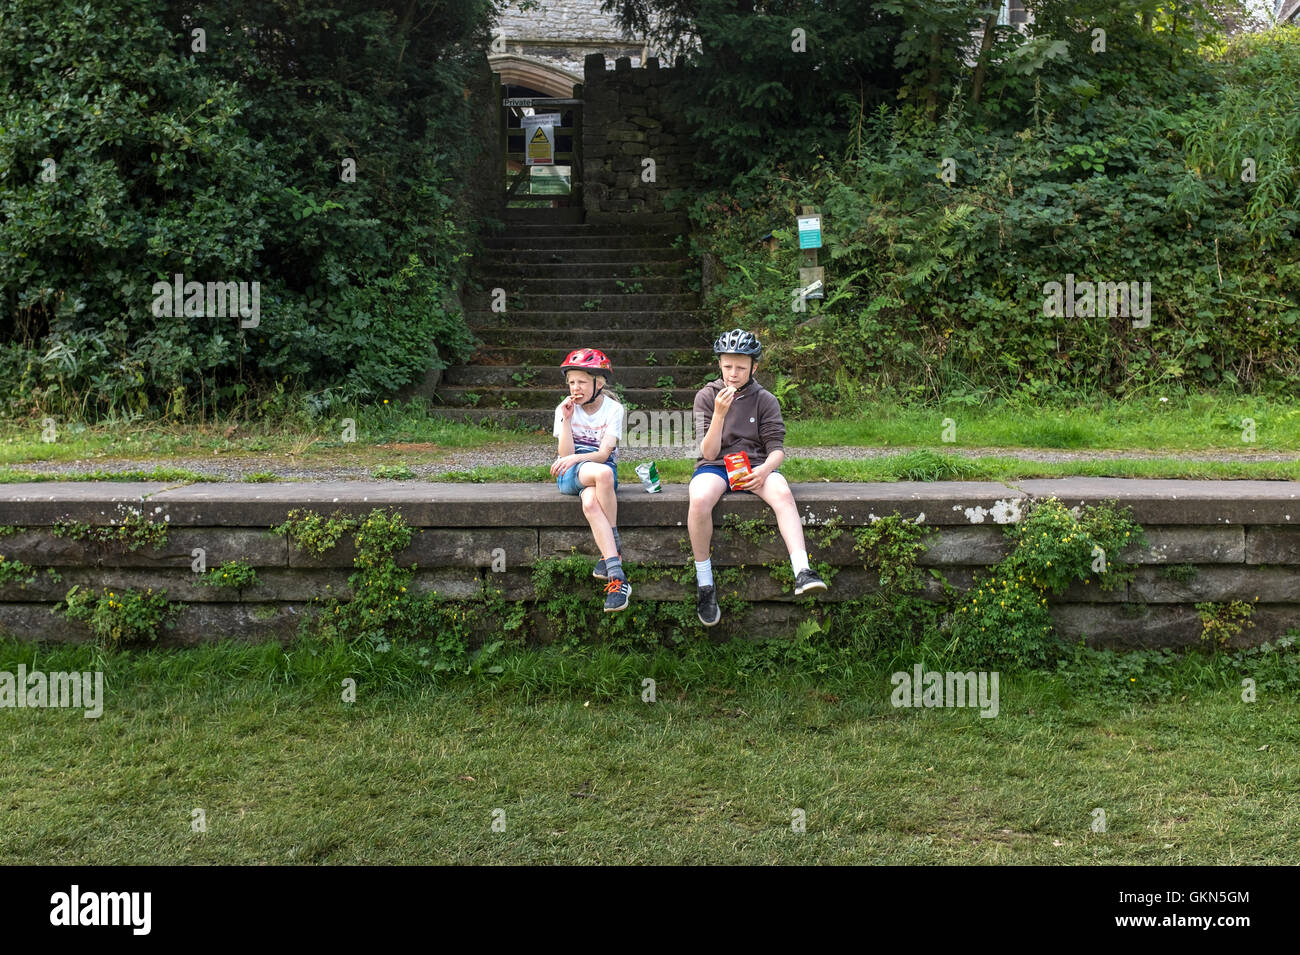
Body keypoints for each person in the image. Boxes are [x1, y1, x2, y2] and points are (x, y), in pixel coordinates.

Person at [689, 328, 827, 626]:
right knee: (699, 499)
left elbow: (776, 450)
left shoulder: (765, 399)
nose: (733, 373)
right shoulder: (706, 396)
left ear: (754, 367)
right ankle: (705, 583)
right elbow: (709, 453)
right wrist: (719, 414)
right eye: (727, 366)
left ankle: (803, 571)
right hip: (715, 466)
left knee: (783, 492)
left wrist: (763, 470)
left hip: (756, 465)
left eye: (741, 367)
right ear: (719, 365)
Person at [550, 347, 630, 613]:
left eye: (582, 381)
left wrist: (576, 460)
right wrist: (566, 420)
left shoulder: (614, 409)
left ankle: (616, 574)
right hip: (572, 472)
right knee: (603, 474)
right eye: (571, 382)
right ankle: (616, 544)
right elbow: (565, 455)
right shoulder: (564, 408)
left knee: (591, 503)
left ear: (600, 382)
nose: (576, 387)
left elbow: (606, 453)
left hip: (598, 465)